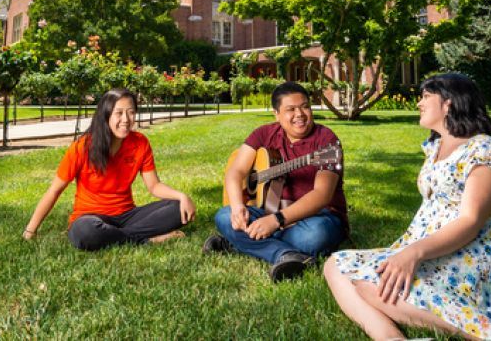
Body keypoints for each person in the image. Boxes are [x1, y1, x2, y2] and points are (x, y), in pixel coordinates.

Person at [324, 73, 491, 340]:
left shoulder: (483, 149)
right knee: (336, 264)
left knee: (370, 285)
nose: (419, 103)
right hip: (431, 246)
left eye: (426, 97)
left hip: (477, 251)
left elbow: (471, 221)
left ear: (449, 103)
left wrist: (412, 254)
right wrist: (408, 251)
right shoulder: (436, 146)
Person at [203, 81, 348, 282]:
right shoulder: (264, 134)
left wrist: (276, 221)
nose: (300, 114)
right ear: (277, 114)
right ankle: (286, 255)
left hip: (316, 218)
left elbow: (322, 195)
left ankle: (240, 244)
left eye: (305, 106)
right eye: (290, 109)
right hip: (268, 211)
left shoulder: (326, 142)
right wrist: (237, 207)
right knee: (223, 216)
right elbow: (236, 172)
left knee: (315, 235)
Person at [23, 88, 196, 250]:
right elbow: (54, 190)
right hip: (91, 218)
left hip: (127, 216)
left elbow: (154, 186)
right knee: (86, 233)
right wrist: (30, 230)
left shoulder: (140, 143)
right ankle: (145, 239)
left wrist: (182, 197)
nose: (126, 119)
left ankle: (122, 237)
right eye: (119, 113)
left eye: (131, 112)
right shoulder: (82, 148)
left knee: (177, 208)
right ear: (105, 115)